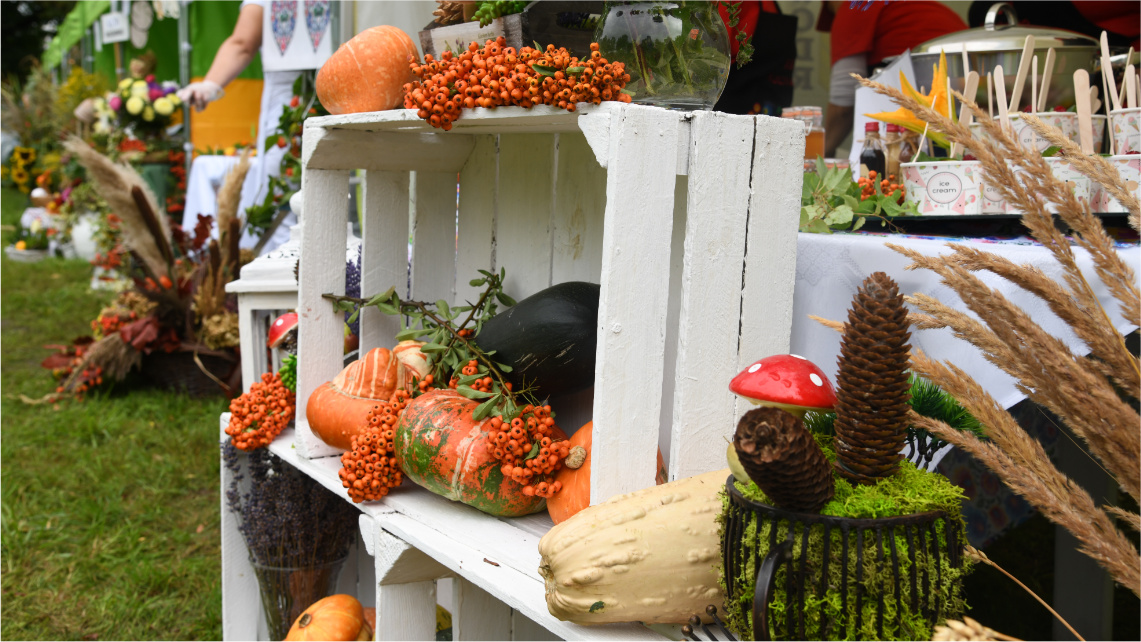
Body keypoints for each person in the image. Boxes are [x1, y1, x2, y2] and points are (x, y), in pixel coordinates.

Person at [178, 0, 299, 254]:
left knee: (284, 214)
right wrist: (210, 84)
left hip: (289, 111)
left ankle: (284, 286)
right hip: (321, 104)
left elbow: (243, 43)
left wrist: (210, 84)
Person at [817, 0, 967, 157]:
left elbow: (843, 105)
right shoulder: (907, 7)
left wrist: (821, 153)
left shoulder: (855, 6)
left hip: (931, 90)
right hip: (965, 89)